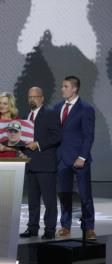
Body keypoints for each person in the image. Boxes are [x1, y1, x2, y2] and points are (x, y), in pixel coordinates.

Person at [54, 76, 96, 240]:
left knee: (85, 195)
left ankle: (89, 227)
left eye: (65, 86)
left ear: (74, 89)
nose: (62, 89)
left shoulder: (85, 108)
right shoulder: (57, 107)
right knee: (64, 195)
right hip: (62, 159)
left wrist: (83, 156)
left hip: (79, 159)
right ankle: (65, 226)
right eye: (62, 86)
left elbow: (88, 135)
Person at [19, 87, 61, 240]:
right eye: (30, 96)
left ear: (42, 98)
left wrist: (38, 144)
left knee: (49, 200)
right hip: (30, 164)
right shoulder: (24, 116)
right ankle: (32, 228)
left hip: (45, 164)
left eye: (35, 96)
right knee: (32, 200)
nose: (32, 99)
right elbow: (22, 138)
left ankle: (50, 229)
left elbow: (57, 136)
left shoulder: (50, 114)